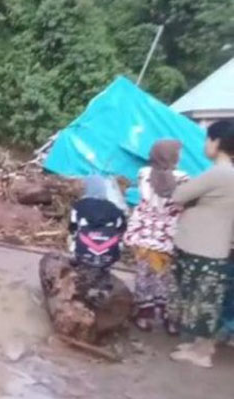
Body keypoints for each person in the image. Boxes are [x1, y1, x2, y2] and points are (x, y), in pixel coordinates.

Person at [168, 121, 234, 368]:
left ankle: (202, 352)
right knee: (204, 298)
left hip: (203, 248)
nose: (205, 144)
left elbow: (178, 195)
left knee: (204, 301)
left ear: (217, 143)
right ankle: (197, 345)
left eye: (208, 139)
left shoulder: (219, 173)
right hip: (211, 246)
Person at [124, 140, 188, 333]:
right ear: (172, 156)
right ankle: (170, 320)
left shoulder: (144, 174)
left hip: (144, 235)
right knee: (168, 279)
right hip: (168, 238)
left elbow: (146, 199)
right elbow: (183, 205)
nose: (181, 156)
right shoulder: (183, 178)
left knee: (144, 276)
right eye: (178, 152)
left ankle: (145, 317)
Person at [68, 175, 127, 307]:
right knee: (112, 248)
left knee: (74, 237)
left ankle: (77, 269)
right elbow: (122, 229)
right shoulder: (115, 209)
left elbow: (72, 227)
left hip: (84, 252)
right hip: (109, 254)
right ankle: (102, 287)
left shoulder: (79, 206)